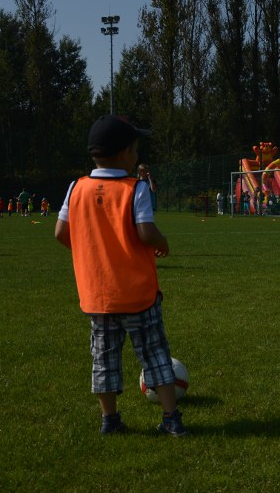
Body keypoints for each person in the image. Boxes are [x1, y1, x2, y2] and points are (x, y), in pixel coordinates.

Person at [54, 115, 186, 436]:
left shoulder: (76, 188)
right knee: (154, 354)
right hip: (137, 294)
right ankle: (171, 418)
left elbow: (60, 232)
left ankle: (110, 420)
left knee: (104, 359)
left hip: (98, 296)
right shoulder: (134, 188)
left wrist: (88, 248)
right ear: (126, 153)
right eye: (136, 149)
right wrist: (162, 242)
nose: (137, 156)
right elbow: (146, 231)